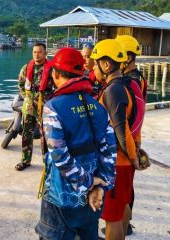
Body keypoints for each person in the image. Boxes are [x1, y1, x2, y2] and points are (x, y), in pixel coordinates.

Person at [35, 48, 116, 240]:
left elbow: (60, 156)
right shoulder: (98, 106)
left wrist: (87, 182)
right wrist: (100, 186)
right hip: (92, 199)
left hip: (61, 197)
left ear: (55, 74)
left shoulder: (53, 108)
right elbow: (110, 152)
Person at [90, 39, 148, 240]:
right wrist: (136, 152)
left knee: (112, 218)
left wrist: (133, 158)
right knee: (123, 207)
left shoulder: (113, 90)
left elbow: (121, 130)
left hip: (117, 163)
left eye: (95, 61)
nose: (92, 66)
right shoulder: (130, 83)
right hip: (125, 162)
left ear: (106, 64)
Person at [115, 34, 148, 236]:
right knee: (127, 186)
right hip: (133, 138)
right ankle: (124, 223)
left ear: (127, 57)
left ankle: (123, 225)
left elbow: (127, 118)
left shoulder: (129, 82)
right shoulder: (139, 78)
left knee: (123, 189)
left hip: (126, 141)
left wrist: (129, 147)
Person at [15, 43, 53, 171]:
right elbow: (20, 84)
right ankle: (25, 160)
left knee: (46, 136)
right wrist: (26, 97)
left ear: (45, 53)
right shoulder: (26, 68)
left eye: (40, 52)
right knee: (27, 134)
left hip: (45, 106)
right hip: (29, 106)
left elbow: (57, 87)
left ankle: (47, 162)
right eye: (35, 52)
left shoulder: (52, 69)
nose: (37, 54)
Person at [116, 35, 148, 101]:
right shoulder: (128, 76)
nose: (114, 61)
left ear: (128, 58)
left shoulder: (133, 80)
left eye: (118, 56)